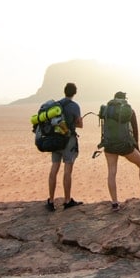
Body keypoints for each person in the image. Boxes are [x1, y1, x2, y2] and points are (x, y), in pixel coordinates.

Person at [103, 92, 140, 210]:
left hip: (109, 145)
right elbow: (135, 130)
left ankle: (115, 203)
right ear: (124, 99)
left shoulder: (107, 110)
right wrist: (136, 146)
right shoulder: (129, 110)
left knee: (111, 172)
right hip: (124, 146)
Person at [46, 82, 83, 212]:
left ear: (64, 91)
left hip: (55, 140)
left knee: (54, 168)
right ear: (74, 93)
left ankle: (51, 200)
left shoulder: (56, 105)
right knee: (67, 171)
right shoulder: (74, 106)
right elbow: (80, 125)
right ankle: (67, 200)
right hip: (68, 141)